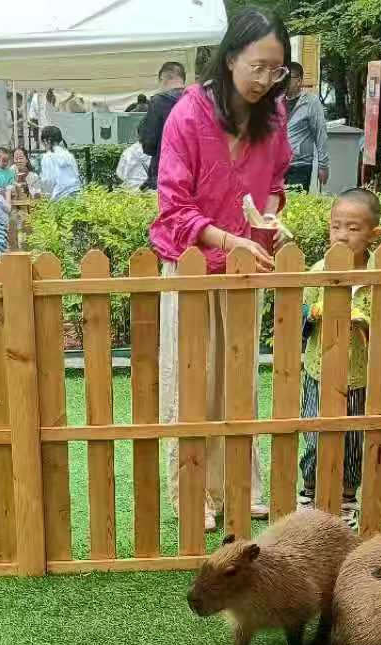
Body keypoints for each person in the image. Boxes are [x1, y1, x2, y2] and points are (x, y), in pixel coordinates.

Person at [149, 7, 291, 532]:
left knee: (239, 382)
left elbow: (275, 180)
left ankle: (241, 487)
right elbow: (173, 205)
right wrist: (231, 238)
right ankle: (192, 492)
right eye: (257, 66)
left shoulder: (273, 118)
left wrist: (270, 213)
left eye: (276, 69)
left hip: (245, 267)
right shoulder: (187, 115)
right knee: (190, 382)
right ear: (231, 58)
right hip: (192, 263)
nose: (265, 79)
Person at [298, 189, 381, 520]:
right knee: (313, 434)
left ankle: (347, 498)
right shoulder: (319, 269)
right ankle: (309, 494)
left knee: (352, 438)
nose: (342, 235)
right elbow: (299, 316)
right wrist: (312, 314)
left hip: (358, 375)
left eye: (353, 228)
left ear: (373, 233)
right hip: (318, 371)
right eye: (336, 226)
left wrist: (366, 321)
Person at [137, 60, 186, 190]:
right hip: (192, 175)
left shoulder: (158, 102)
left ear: (163, 79)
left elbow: (149, 145)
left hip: (165, 174)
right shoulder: (196, 100)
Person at [283, 61, 329, 192]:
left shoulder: (311, 102)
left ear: (299, 81)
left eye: (288, 78)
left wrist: (323, 165)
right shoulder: (276, 102)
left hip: (299, 166)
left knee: (295, 202)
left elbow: (320, 134)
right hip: (276, 167)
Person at [37, 125, 81, 200]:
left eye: (43, 142)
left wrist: (41, 191)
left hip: (60, 197)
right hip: (76, 193)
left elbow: (49, 181)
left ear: (47, 141)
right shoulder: (68, 154)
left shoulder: (48, 157)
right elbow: (76, 173)